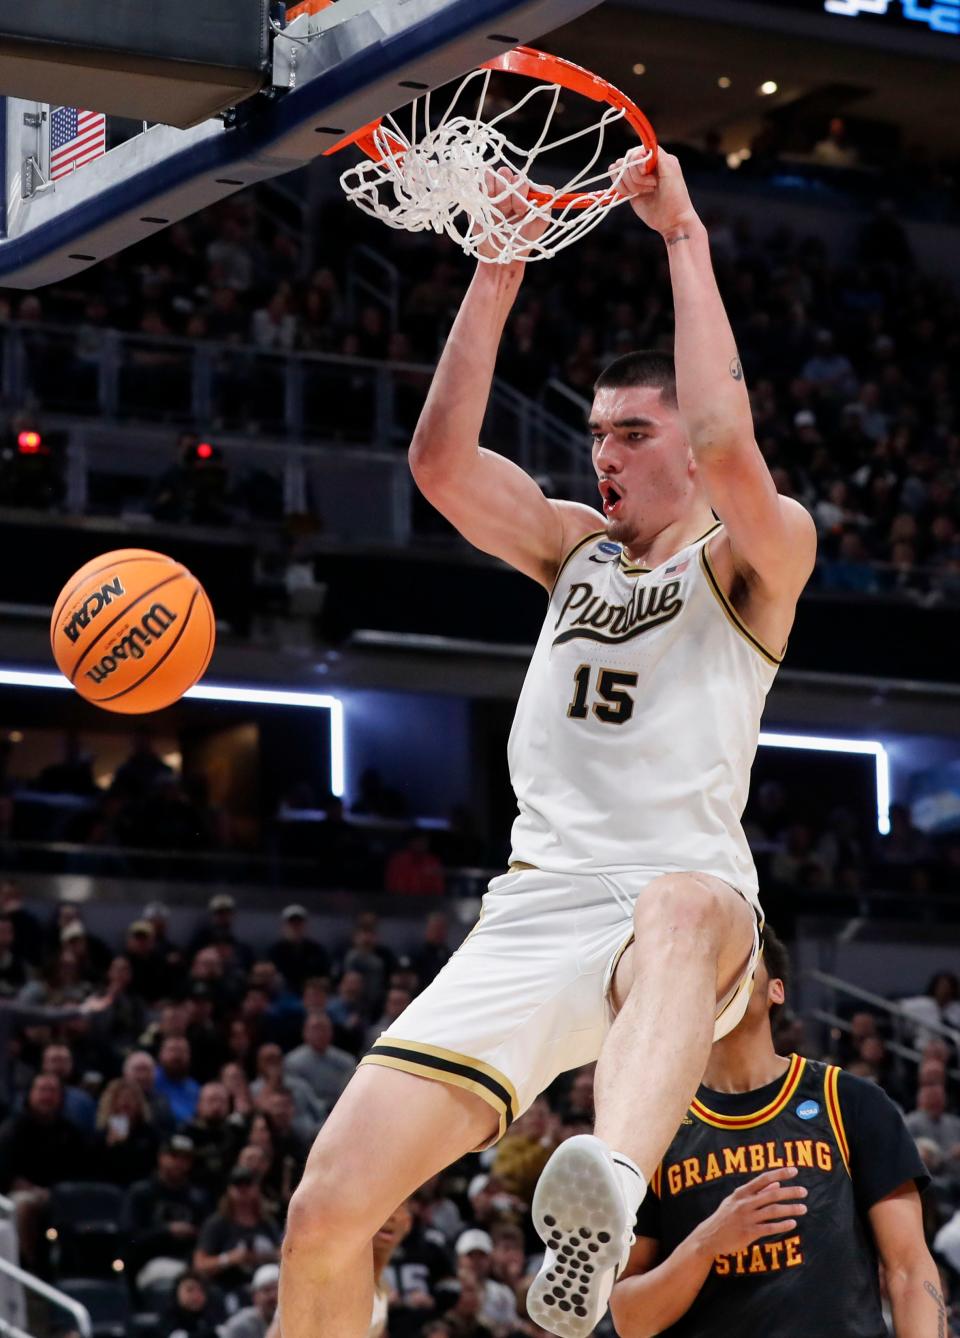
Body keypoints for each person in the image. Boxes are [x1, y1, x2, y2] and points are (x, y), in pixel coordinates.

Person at [278, 148, 817, 1338]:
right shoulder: (572, 548)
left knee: (679, 903)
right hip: (530, 912)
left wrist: (683, 239)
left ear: (685, 450)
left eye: (632, 432)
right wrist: (499, 267)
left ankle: (602, 1201)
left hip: (682, 914)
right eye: (596, 434)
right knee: (324, 1212)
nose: (604, 455)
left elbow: (732, 444)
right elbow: (440, 465)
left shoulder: (753, 558)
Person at [610, 927, 942, 1337]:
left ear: (777, 991)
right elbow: (630, 1320)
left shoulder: (848, 1099)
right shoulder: (654, 1127)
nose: (718, 969)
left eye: (737, 956)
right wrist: (705, 1245)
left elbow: (909, 1268)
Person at [219, 1262, 280, 1338]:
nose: (273, 1295)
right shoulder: (240, 1325)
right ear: (255, 1297)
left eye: (277, 1289)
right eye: (267, 1290)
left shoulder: (292, 1320)